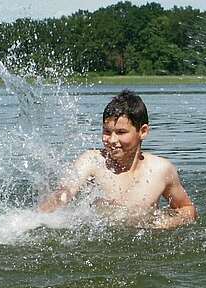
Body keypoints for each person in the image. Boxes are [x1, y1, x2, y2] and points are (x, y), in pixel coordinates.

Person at [38, 90, 197, 228]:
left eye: (121, 132)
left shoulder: (160, 170)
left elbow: (187, 209)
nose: (112, 140)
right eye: (107, 132)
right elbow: (64, 192)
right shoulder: (93, 161)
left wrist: (165, 224)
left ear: (143, 131)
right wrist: (36, 219)